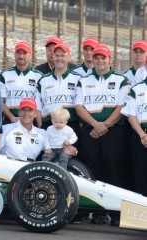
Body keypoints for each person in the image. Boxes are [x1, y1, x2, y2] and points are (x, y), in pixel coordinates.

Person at [75, 45, 131, 226]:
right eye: (97, 58)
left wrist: (104, 126)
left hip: (112, 131)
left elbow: (121, 107)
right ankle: (98, 212)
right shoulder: (83, 80)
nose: (100, 61)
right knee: (93, 172)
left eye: (103, 58)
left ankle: (116, 213)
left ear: (110, 59)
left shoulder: (121, 80)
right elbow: (79, 107)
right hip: (90, 130)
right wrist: (95, 125)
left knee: (114, 170)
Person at [0, 97, 77, 161]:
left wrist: (74, 150)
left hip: (31, 173)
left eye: (30, 110)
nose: (26, 113)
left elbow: (56, 146)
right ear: (19, 112)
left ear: (35, 114)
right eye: (23, 110)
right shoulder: (5, 129)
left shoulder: (42, 133)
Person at [0, 41, 42, 124]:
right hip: (10, 120)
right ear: (14, 54)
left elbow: (40, 104)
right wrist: (12, 117)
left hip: (31, 121)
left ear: (30, 54)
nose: (21, 56)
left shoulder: (39, 76)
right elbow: (0, 101)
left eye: (24, 53)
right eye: (18, 53)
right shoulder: (4, 75)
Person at [121, 80, 147, 197]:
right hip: (141, 137)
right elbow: (131, 115)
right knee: (141, 176)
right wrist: (142, 135)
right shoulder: (136, 89)